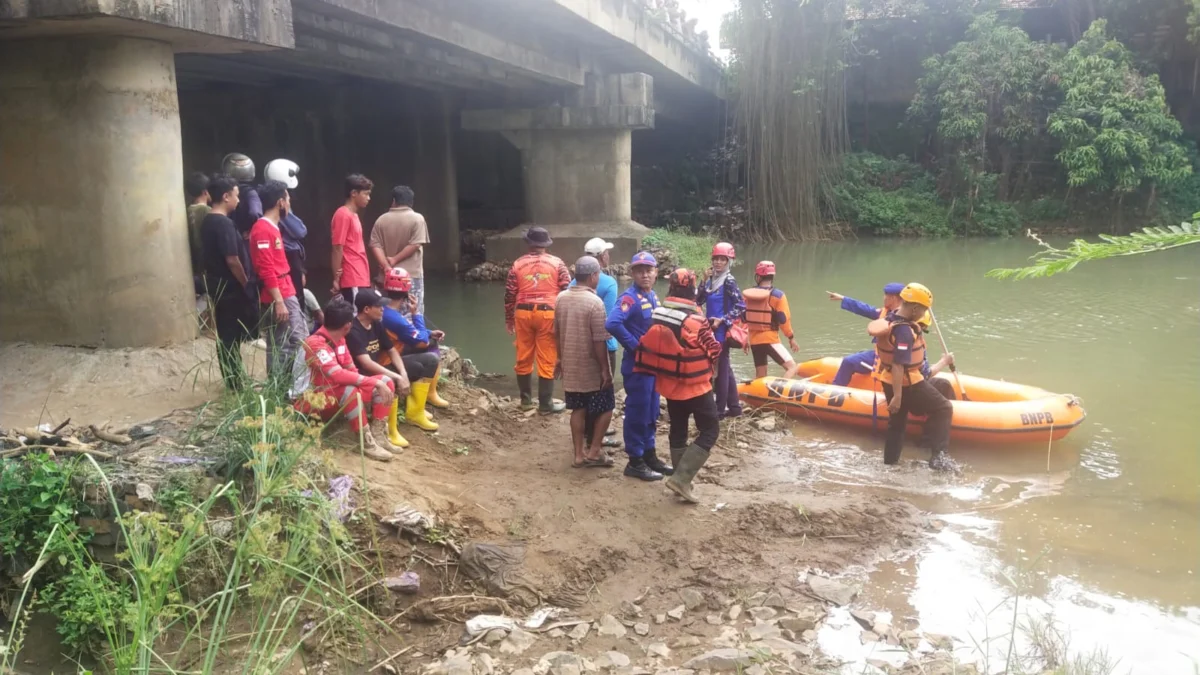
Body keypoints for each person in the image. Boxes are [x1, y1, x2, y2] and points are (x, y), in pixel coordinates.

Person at [634, 269, 722, 503]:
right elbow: (714, 349)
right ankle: (682, 480)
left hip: (669, 385)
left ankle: (681, 480)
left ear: (671, 288)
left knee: (679, 429)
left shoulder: (657, 314)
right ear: (692, 289)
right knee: (710, 430)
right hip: (695, 386)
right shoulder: (696, 321)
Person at [293, 300, 397, 462]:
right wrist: (372, 383)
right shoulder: (315, 344)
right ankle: (365, 442)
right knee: (350, 389)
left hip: (331, 395)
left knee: (386, 380)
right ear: (348, 326)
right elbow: (337, 375)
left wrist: (374, 384)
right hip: (306, 401)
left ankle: (379, 435)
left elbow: (350, 369)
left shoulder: (340, 340)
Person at [867, 283, 955, 471]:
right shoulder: (904, 331)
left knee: (897, 424)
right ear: (915, 308)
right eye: (923, 309)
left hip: (888, 380)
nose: (923, 314)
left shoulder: (891, 318)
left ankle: (890, 464)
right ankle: (939, 457)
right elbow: (899, 364)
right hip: (907, 384)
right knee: (944, 408)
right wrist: (898, 397)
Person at [344, 290, 440, 453]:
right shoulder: (354, 330)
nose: (383, 309)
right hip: (365, 374)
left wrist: (402, 373)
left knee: (430, 360)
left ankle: (415, 414)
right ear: (366, 309)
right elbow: (366, 364)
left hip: (381, 366)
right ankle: (389, 430)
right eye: (379, 306)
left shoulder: (376, 323)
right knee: (391, 379)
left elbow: (392, 350)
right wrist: (396, 376)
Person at [606, 251, 672, 481]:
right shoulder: (629, 298)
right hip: (637, 367)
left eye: (649, 270)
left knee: (652, 411)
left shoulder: (652, 296)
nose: (645, 274)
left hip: (653, 366)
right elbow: (612, 323)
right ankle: (635, 461)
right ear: (632, 273)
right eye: (639, 270)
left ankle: (649, 455)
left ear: (656, 273)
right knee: (637, 413)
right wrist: (635, 346)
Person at [554, 256, 617, 468]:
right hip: (590, 367)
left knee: (578, 409)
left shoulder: (561, 298)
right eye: (598, 274)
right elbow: (600, 341)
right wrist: (604, 370)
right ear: (593, 276)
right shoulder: (595, 302)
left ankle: (578, 455)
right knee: (607, 407)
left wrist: (559, 358)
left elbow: (556, 332)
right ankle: (594, 451)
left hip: (570, 365)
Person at [828, 284, 954, 389]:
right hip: (886, 354)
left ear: (893, 298)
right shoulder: (888, 313)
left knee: (849, 361)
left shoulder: (908, 320)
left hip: (892, 358)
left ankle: (833, 391)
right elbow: (864, 308)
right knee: (853, 359)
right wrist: (844, 299)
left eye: (886, 296)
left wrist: (943, 362)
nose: (883, 298)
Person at [504, 226, 571, 413]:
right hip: (548, 313)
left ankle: (525, 401)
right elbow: (566, 290)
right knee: (546, 357)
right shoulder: (558, 263)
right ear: (546, 244)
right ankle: (545, 404)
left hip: (523, 313)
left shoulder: (517, 264)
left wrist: (509, 319)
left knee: (523, 356)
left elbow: (509, 294)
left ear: (528, 244)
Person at [248, 180, 307, 385]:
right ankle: (285, 387)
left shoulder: (273, 227)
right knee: (292, 340)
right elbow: (266, 268)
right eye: (288, 199)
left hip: (285, 287)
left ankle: (286, 385)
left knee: (287, 340)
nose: (289, 204)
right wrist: (279, 300)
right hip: (279, 292)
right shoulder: (263, 229)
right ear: (280, 202)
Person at [199, 174, 254, 390]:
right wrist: (245, 283)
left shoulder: (208, 221)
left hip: (217, 285)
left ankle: (233, 379)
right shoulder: (223, 224)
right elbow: (232, 259)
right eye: (236, 196)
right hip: (230, 288)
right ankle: (235, 383)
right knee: (230, 335)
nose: (238, 200)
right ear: (225, 196)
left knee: (226, 335)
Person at [571, 238, 621, 449]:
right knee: (602, 395)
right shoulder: (608, 282)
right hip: (603, 346)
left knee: (583, 396)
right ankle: (595, 440)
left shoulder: (572, 284)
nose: (608, 256)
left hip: (578, 347)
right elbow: (608, 320)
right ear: (601, 257)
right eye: (607, 253)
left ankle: (588, 434)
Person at [379, 267, 451, 413]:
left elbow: (406, 333)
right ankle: (418, 406)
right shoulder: (396, 318)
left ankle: (430, 393)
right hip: (387, 359)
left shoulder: (383, 308)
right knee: (430, 357)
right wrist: (416, 314)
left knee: (431, 340)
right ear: (407, 291)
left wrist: (429, 332)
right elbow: (421, 341)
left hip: (388, 350)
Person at [696, 242, 746, 418]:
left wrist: (722, 320)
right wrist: (702, 280)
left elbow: (741, 306)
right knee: (726, 369)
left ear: (728, 261)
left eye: (722, 259)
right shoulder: (711, 279)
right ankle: (734, 408)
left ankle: (719, 410)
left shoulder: (729, 281)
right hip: (711, 330)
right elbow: (698, 300)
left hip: (722, 332)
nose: (718, 263)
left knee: (721, 371)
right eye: (716, 259)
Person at [369, 186, 430, 315]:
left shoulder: (381, 220)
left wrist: (386, 266)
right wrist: (395, 259)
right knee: (412, 313)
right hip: (411, 276)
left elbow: (375, 245)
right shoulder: (417, 219)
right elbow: (415, 244)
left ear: (393, 201)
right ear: (411, 202)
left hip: (387, 277)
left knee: (386, 313)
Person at [264, 159, 308, 311]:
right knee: (296, 302)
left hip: (287, 258)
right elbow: (300, 230)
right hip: (288, 256)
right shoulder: (278, 207)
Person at [743, 261, 799, 379]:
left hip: (754, 341)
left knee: (761, 375)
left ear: (758, 277)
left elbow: (743, 317)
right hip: (770, 339)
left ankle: (759, 396)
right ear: (772, 276)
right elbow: (784, 319)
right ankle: (780, 392)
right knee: (792, 367)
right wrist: (791, 338)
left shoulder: (748, 295)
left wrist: (745, 339)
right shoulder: (778, 295)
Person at [331, 174, 374, 303]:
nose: (368, 198)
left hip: (360, 275)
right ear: (354, 193)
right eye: (366, 194)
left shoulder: (353, 215)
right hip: (351, 276)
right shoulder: (342, 214)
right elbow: (337, 247)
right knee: (355, 317)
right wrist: (336, 279)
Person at [185, 171, 211, 278]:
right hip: (205, 263)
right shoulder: (207, 210)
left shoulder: (187, 210)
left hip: (192, 261)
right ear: (205, 192)